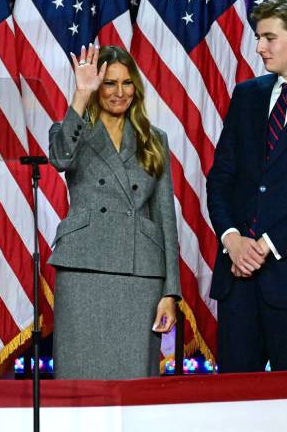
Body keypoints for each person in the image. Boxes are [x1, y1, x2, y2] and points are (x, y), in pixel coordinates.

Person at [207, 0, 287, 373]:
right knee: (232, 401)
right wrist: (231, 238)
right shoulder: (248, 95)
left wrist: (266, 245)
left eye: (269, 37)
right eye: (258, 37)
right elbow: (221, 177)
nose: (259, 47)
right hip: (237, 279)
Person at [48, 44, 181, 379]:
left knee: (136, 379)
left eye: (126, 83)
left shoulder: (154, 139)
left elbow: (165, 217)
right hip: (83, 269)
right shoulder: (72, 130)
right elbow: (60, 158)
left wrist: (170, 292)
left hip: (140, 273)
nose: (119, 92)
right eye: (110, 83)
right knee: (80, 380)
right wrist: (81, 94)